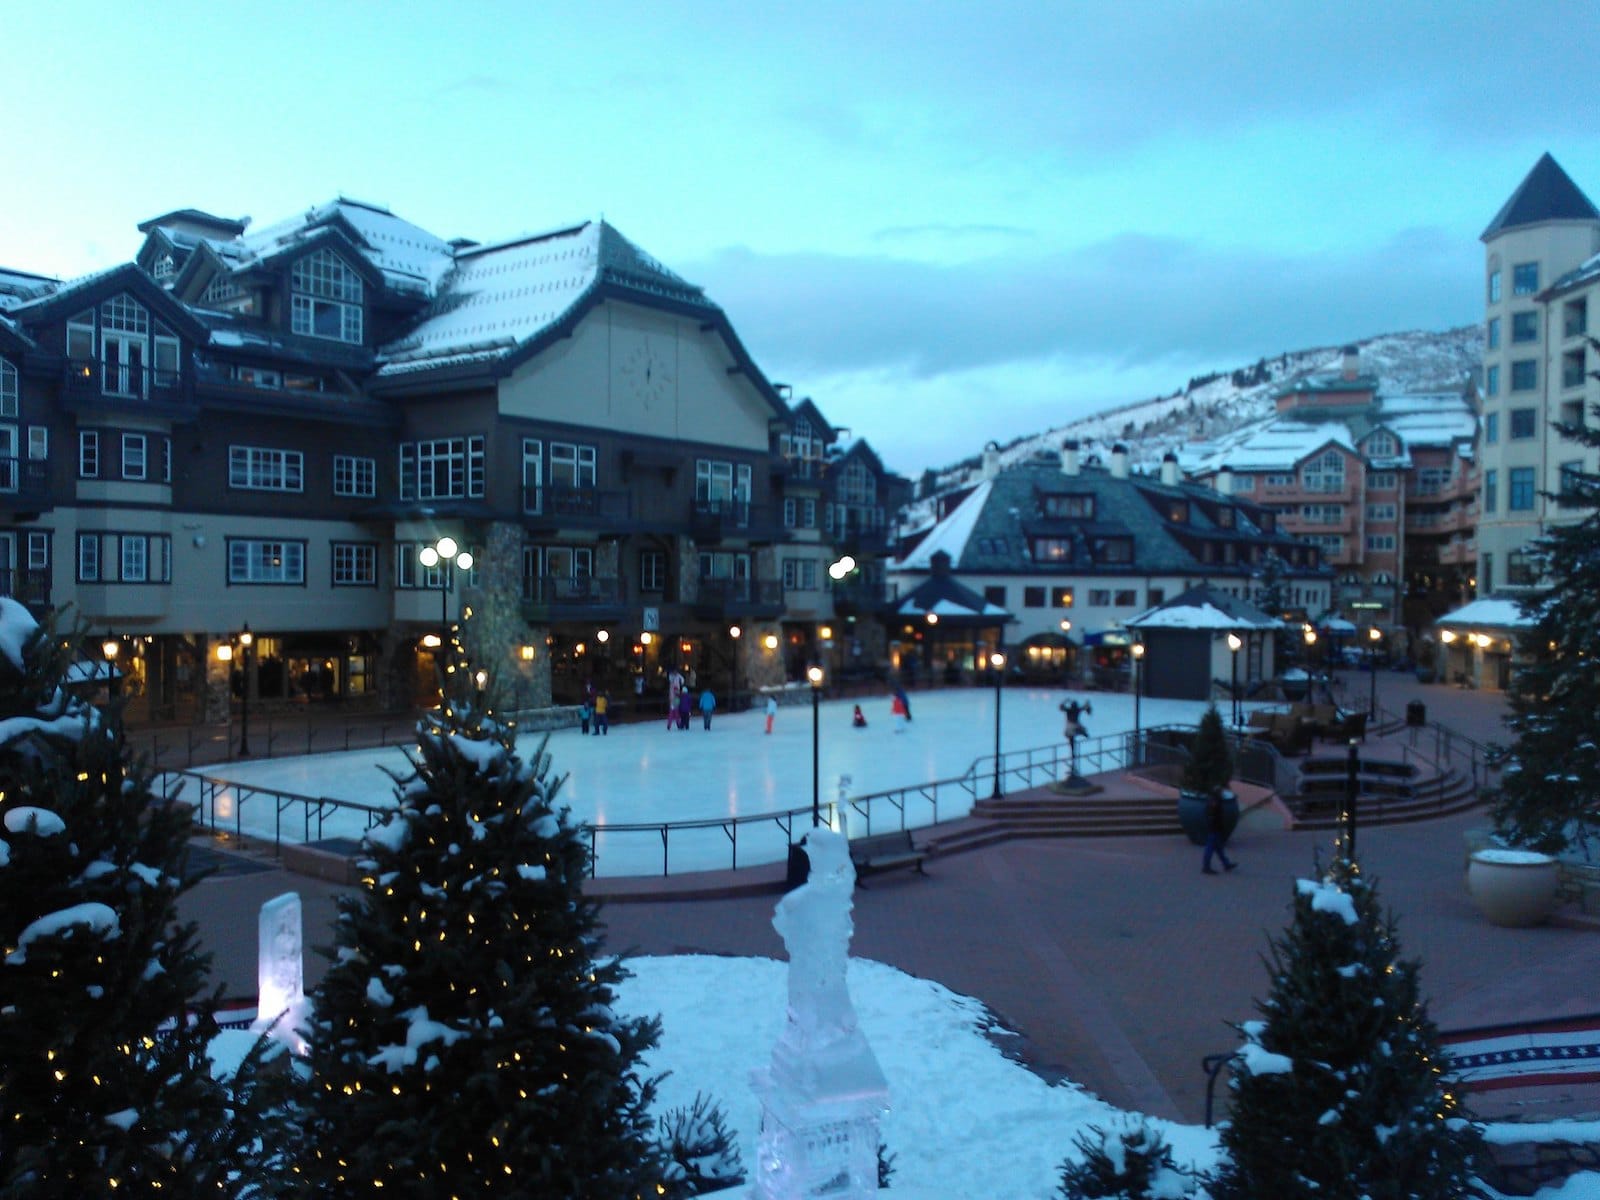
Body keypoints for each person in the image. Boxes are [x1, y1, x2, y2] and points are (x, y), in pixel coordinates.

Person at [1201, 793, 1238, 875]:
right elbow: (1214, 820)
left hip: (1215, 830)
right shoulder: (1213, 809)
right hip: (1214, 831)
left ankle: (1225, 864)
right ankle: (1207, 866)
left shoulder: (1213, 808)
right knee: (1211, 849)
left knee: (1218, 849)